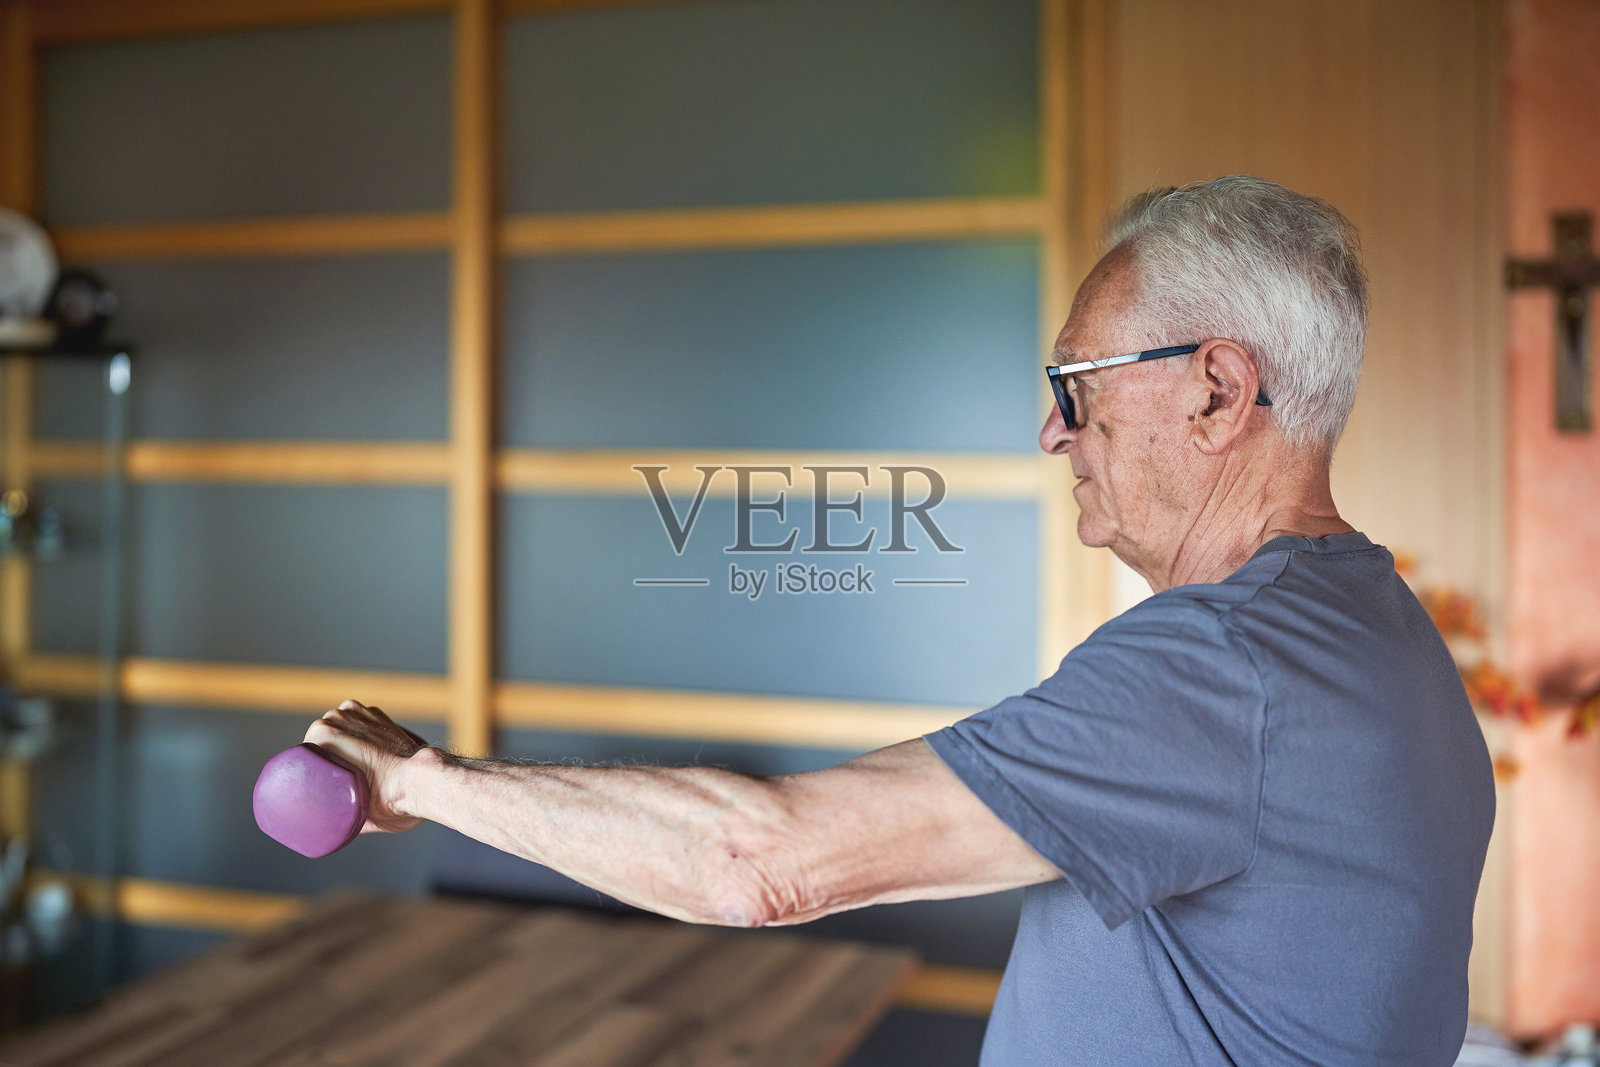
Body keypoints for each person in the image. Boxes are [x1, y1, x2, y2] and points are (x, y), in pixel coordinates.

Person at [306, 175, 1494, 1066]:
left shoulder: (1218, 667)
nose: (1052, 432)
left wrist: (423, 781)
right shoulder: (1377, 628)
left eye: (1073, 384)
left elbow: (759, 863)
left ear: (1217, 391)